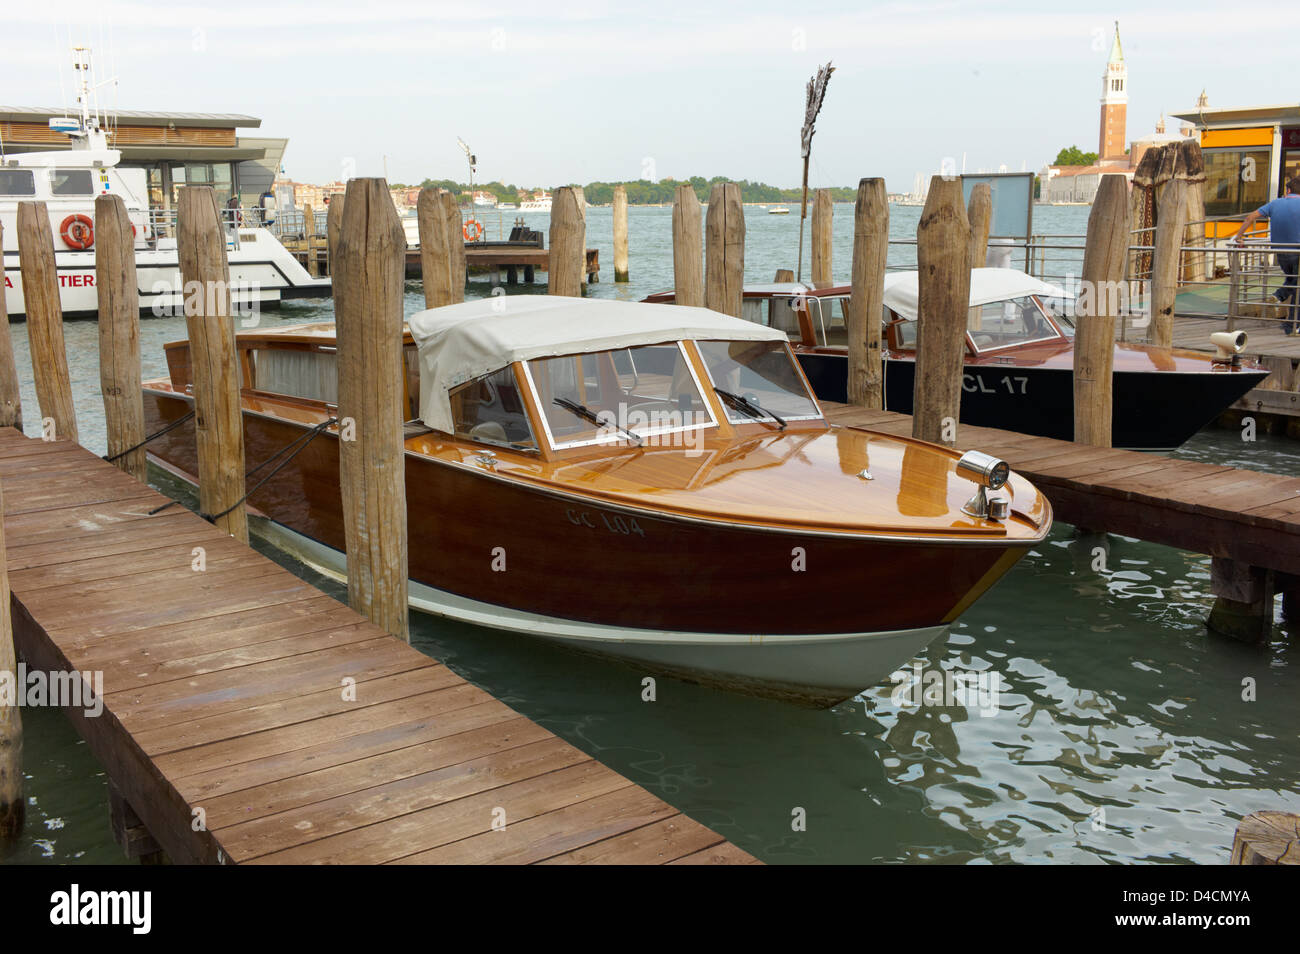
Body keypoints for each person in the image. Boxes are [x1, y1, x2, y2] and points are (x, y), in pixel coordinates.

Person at [1233, 177, 1300, 335]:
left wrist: (1238, 237)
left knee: (1294, 281)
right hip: (1298, 252)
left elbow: (1250, 217)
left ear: (1288, 190)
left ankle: (1282, 304)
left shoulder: (1275, 203)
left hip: (1281, 254)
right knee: (1296, 284)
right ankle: (1291, 323)